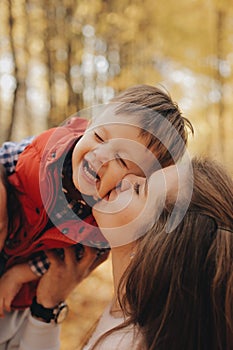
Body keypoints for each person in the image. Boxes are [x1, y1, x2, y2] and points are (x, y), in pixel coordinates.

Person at [0, 85, 192, 348]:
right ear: (90, 124)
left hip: (17, 297)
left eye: (122, 160)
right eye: (100, 137)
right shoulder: (45, 152)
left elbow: (65, 261)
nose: (99, 156)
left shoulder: (100, 227)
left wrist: (20, 275)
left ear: (134, 181)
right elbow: (7, 159)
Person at [17, 156, 233, 350]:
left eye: (140, 189)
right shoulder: (133, 313)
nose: (127, 178)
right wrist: (47, 307)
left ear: (155, 247)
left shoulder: (130, 343)